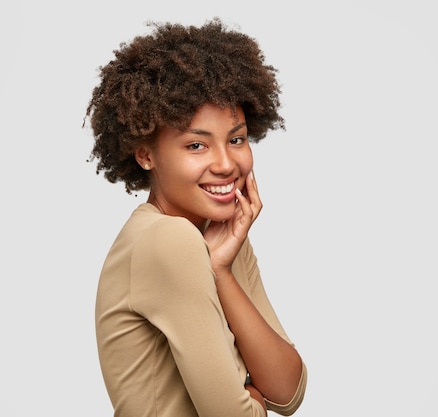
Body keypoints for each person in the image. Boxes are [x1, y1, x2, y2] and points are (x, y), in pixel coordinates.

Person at [84, 18, 307, 417]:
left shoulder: (222, 238)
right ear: (146, 154)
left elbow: (287, 392)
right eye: (196, 145)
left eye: (236, 139)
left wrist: (220, 271)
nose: (225, 164)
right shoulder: (167, 240)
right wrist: (250, 397)